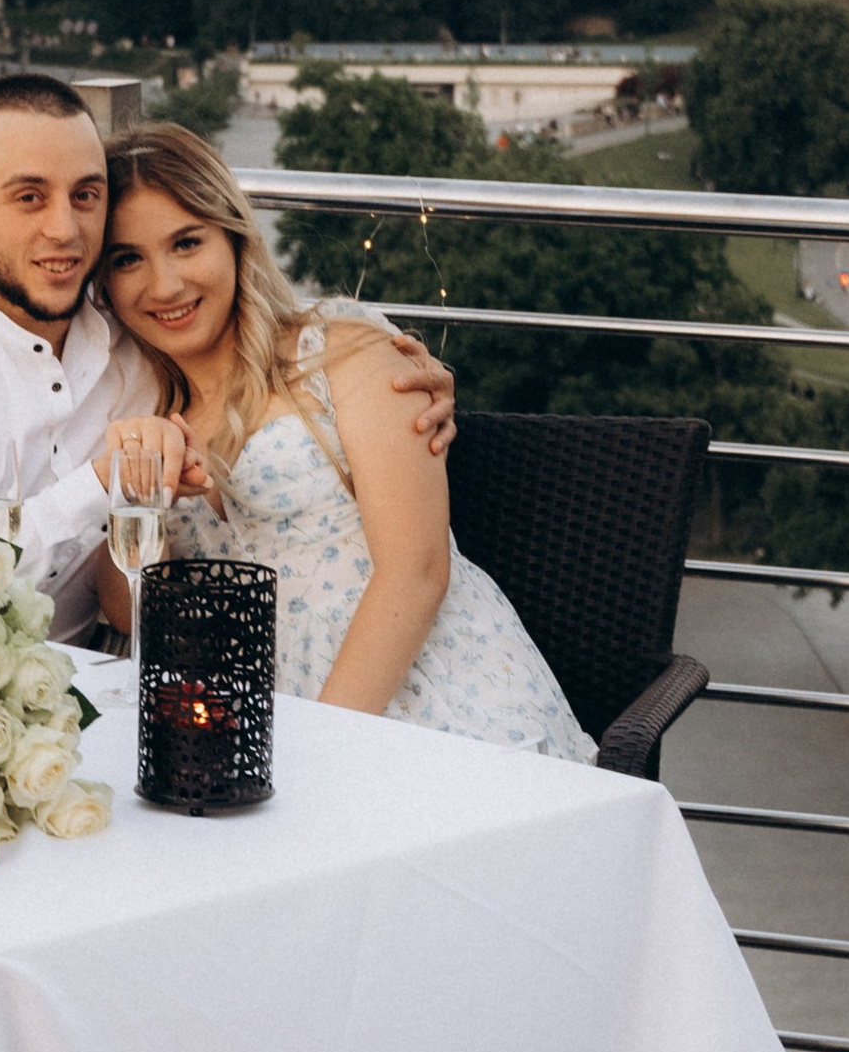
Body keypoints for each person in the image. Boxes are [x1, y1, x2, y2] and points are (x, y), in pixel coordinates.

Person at [0, 72, 454, 639]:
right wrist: (98, 485)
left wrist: (380, 360)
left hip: (123, 681)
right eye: (28, 196)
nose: (64, 229)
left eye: (85, 195)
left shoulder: (138, 340)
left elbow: (244, 339)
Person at [97, 121, 593, 758]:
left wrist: (318, 752)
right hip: (262, 718)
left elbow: (415, 573)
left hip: (422, 694)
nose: (163, 285)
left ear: (233, 238)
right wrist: (146, 499)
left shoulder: (339, 349)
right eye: (127, 259)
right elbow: (126, 611)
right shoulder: (142, 406)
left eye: (187, 242)